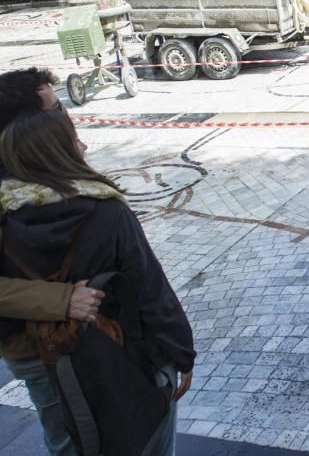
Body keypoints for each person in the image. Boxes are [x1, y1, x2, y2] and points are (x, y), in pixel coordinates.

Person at [0, 109, 195, 455]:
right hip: (122, 347)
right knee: (151, 430)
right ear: (58, 152)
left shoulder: (6, 218)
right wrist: (181, 353)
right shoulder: (107, 210)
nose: (84, 145)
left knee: (69, 438)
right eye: (74, 139)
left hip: (46, 354)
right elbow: (149, 288)